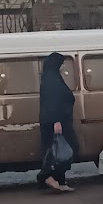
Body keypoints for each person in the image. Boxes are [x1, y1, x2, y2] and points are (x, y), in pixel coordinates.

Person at [38, 53, 78, 192]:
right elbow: (53, 101)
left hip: (57, 120)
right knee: (63, 150)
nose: (62, 67)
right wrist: (56, 121)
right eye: (60, 64)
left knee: (58, 151)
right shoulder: (52, 79)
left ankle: (59, 180)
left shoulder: (50, 77)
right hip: (57, 121)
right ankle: (46, 176)